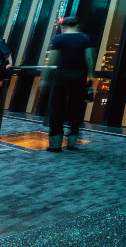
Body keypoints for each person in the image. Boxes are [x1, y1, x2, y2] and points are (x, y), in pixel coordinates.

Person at [45, 16, 93, 152]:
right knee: (76, 109)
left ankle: (55, 145)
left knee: (57, 109)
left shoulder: (59, 38)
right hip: (79, 77)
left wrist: (45, 78)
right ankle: (72, 143)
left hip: (62, 77)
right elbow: (88, 57)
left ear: (63, 26)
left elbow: (52, 59)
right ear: (77, 26)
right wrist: (91, 75)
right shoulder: (85, 38)